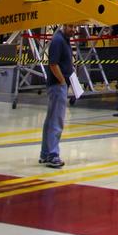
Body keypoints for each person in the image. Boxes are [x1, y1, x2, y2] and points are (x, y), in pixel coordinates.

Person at [40, 23, 75, 169]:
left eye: (74, 27)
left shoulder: (64, 40)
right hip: (57, 86)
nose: (73, 30)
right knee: (56, 121)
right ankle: (53, 154)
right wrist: (62, 82)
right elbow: (53, 64)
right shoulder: (58, 40)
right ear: (63, 25)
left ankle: (45, 153)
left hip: (59, 85)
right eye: (70, 26)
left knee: (51, 120)